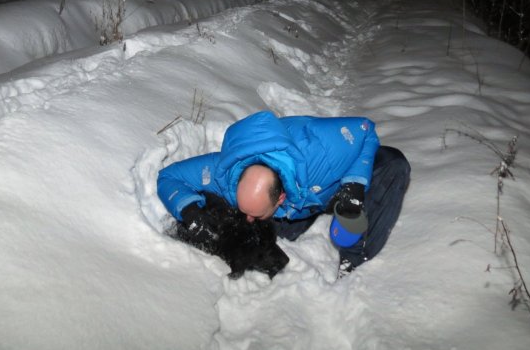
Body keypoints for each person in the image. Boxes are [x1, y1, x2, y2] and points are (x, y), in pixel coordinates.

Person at [157, 110, 410, 273]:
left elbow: (365, 130)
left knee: (394, 164)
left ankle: (355, 261)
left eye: (255, 214)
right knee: (252, 234)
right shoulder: (223, 170)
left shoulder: (325, 148)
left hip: (328, 184)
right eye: (247, 211)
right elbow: (169, 177)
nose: (249, 220)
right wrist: (188, 209)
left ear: (280, 198)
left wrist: (354, 184)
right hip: (293, 207)